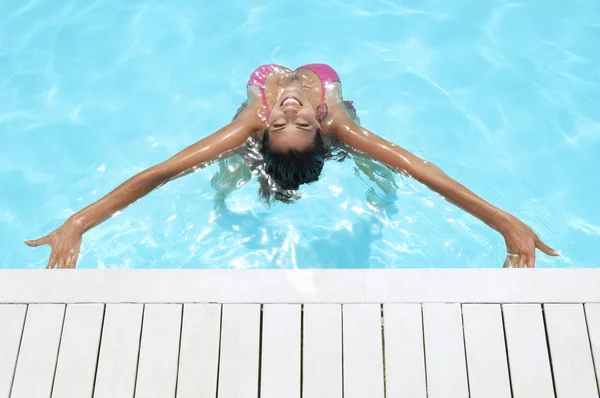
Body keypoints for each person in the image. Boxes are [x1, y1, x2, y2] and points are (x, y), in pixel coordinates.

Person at [25, 63, 558, 268]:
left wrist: (78, 221)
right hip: (273, 150)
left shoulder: (259, 123)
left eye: (287, 124)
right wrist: (78, 225)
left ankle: (274, 180)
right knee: (237, 171)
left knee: (384, 171)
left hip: (286, 148)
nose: (289, 111)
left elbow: (425, 173)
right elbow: (161, 173)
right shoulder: (331, 125)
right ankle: (265, 182)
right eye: (291, 124)